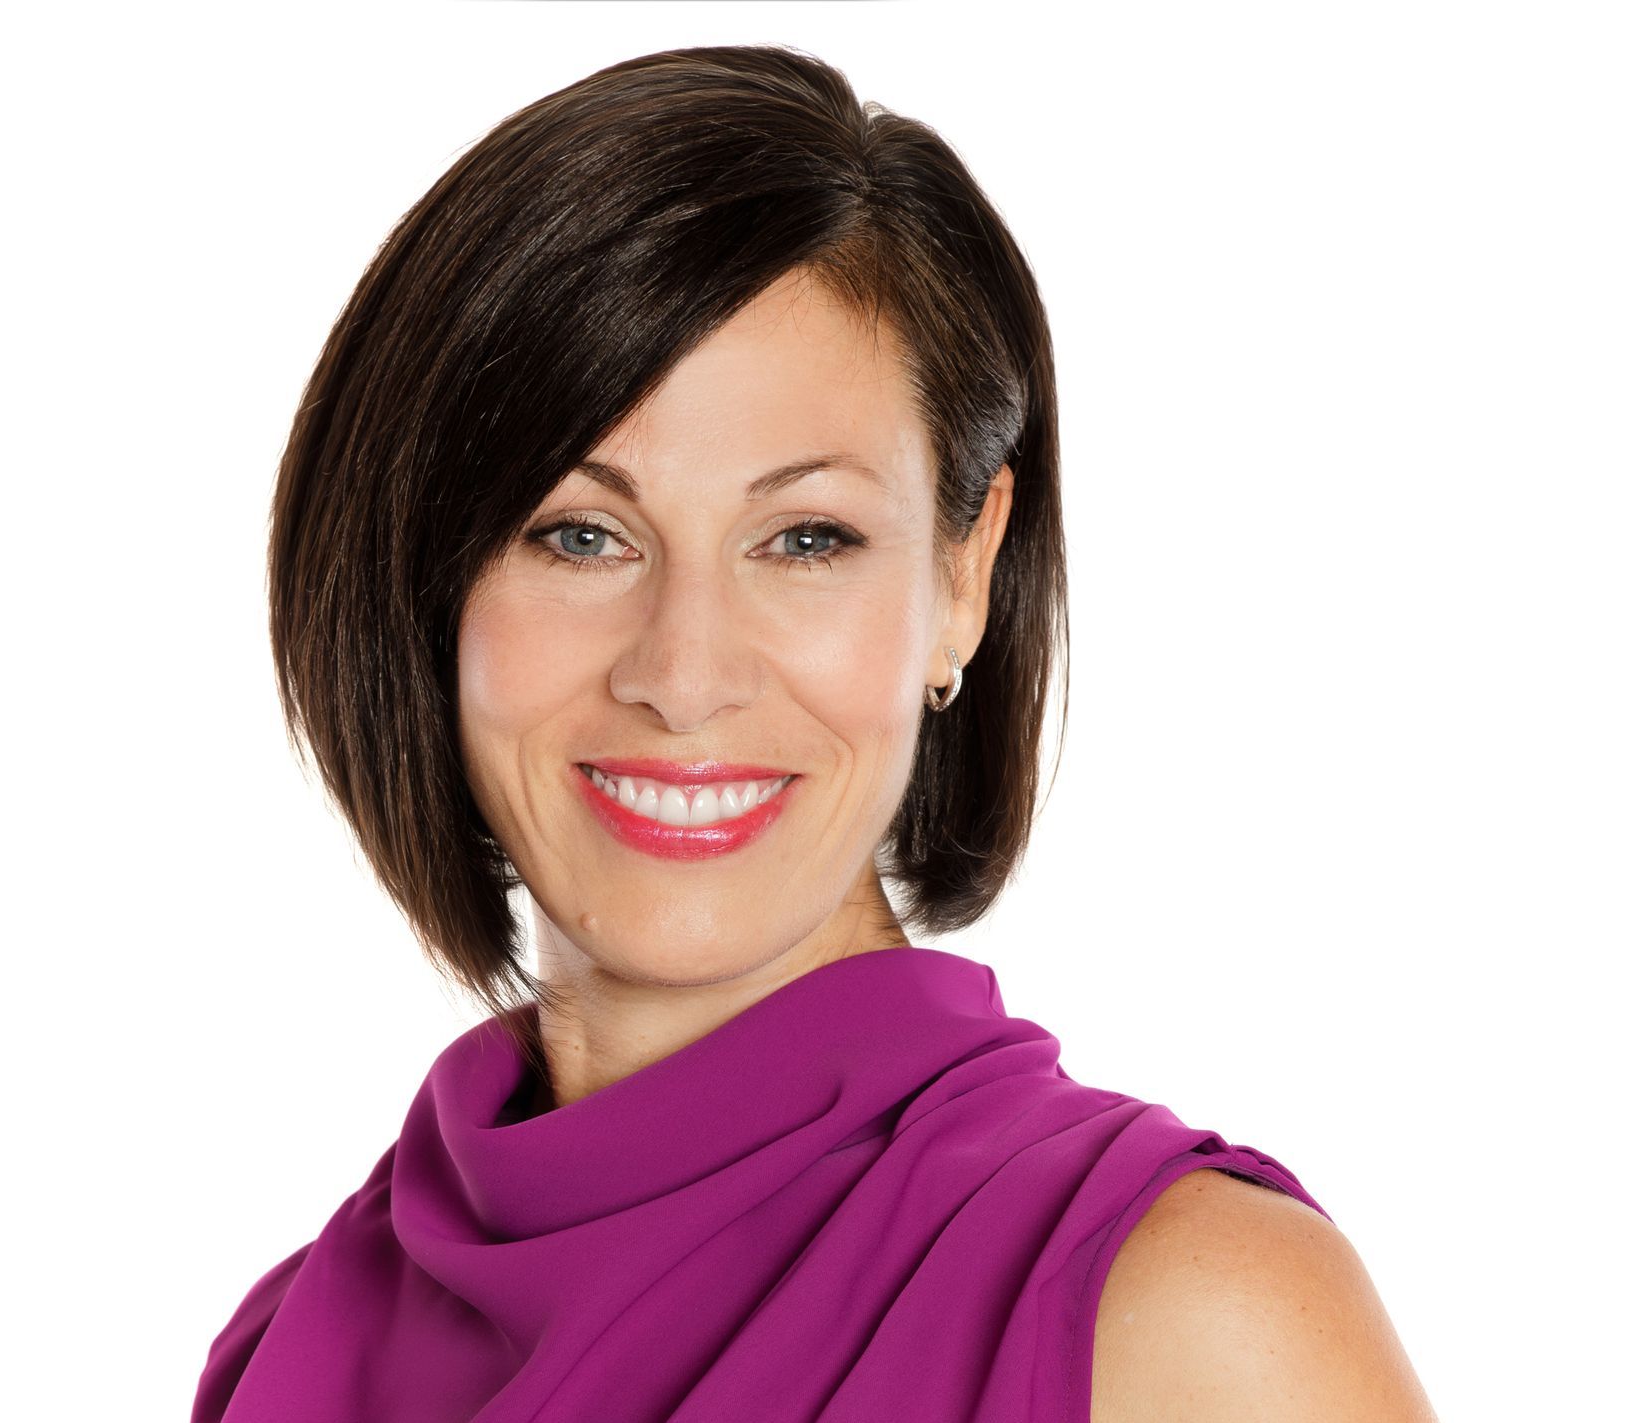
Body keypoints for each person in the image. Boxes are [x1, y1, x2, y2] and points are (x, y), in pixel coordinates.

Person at [191, 43, 1436, 1423]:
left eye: (805, 538)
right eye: (581, 534)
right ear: (424, 583)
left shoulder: (1197, 1314)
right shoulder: (298, 1338)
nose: (683, 674)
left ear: (963, 577)